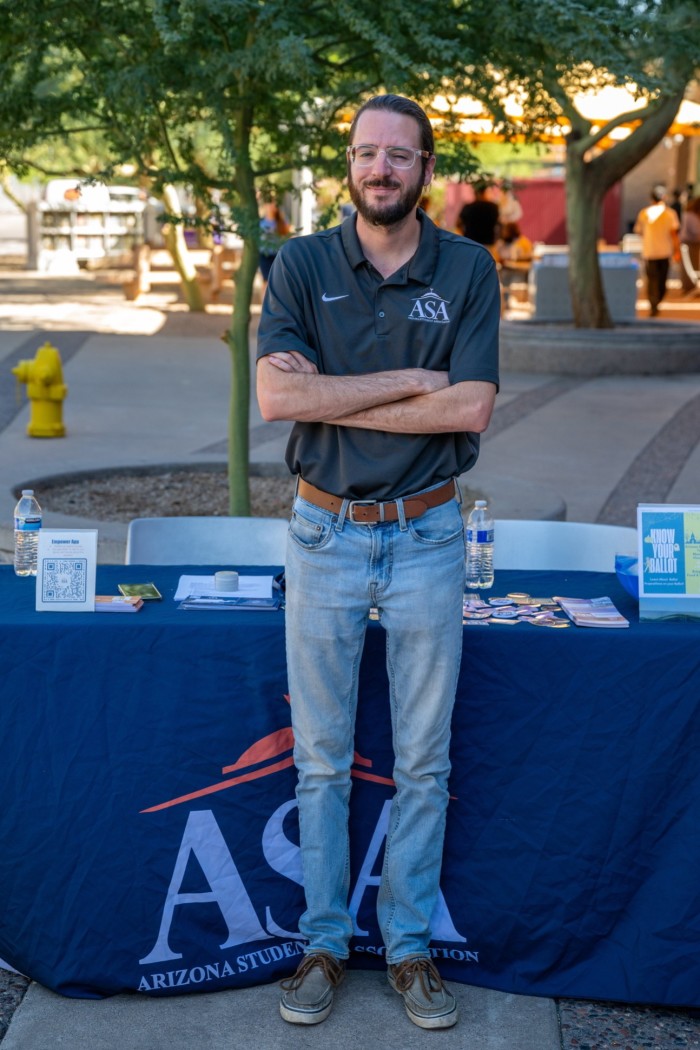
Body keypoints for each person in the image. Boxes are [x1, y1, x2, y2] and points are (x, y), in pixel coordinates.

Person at [256, 93, 499, 1030]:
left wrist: (331, 394)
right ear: (348, 166)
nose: (381, 168)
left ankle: (407, 949)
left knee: (424, 762)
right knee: (319, 759)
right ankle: (322, 943)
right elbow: (279, 405)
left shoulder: (467, 268)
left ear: (427, 169)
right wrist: (406, 379)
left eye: (400, 155)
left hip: (431, 534)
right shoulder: (303, 262)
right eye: (366, 153)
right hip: (323, 532)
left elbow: (470, 409)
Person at [634, 185, 680, 316]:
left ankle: (654, 302)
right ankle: (655, 303)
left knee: (652, 279)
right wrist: (677, 251)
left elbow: (639, 232)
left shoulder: (644, 213)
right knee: (661, 280)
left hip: (650, 251)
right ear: (664, 198)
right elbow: (674, 234)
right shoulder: (670, 214)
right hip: (663, 251)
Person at [456, 180, 500, 256]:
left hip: (470, 243)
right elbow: (499, 226)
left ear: (475, 191)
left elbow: (458, 224)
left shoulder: (468, 207)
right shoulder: (493, 207)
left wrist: (465, 235)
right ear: (485, 191)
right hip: (488, 245)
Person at [258, 200, 291, 283]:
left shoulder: (282, 223)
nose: (271, 207)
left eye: (274, 205)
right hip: (264, 256)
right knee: (266, 281)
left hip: (278, 256)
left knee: (277, 281)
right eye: (270, 205)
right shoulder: (261, 223)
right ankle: (264, 296)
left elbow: (287, 237)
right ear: (265, 206)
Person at [679, 196, 700, 293]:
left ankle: (689, 286)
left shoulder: (689, 215)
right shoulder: (691, 216)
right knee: (690, 265)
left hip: (692, 243)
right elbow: (696, 231)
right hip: (690, 243)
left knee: (692, 265)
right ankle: (689, 287)